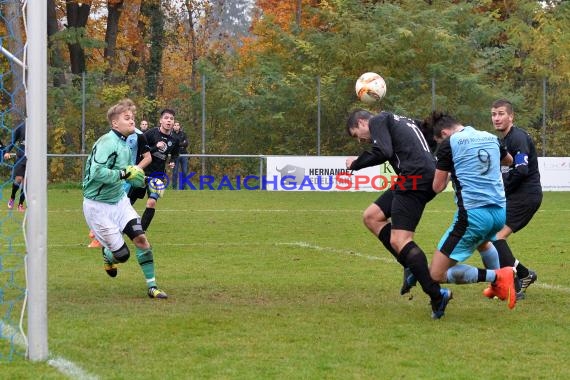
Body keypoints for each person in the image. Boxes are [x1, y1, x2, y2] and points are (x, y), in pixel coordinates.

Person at [345, 108, 451, 319]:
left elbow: (382, 151)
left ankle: (437, 294)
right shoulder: (403, 119)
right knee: (371, 217)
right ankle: (409, 265)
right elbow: (427, 137)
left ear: (361, 122)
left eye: (357, 135)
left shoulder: (377, 120)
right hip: (418, 176)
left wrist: (355, 164)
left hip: (414, 178)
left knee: (400, 240)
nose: (361, 141)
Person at [424, 111, 517, 310]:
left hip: (474, 215)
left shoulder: (450, 144)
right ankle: (497, 287)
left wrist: (452, 169)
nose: (440, 144)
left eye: (438, 140)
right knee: (483, 244)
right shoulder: (491, 137)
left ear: (445, 132)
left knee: (435, 274)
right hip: (499, 212)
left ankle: (498, 276)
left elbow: (437, 187)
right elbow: (508, 160)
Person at [82, 98, 167, 299]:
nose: (132, 121)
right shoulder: (106, 142)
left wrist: (147, 182)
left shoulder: (126, 145)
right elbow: (96, 173)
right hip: (98, 206)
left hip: (119, 201)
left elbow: (129, 175)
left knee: (141, 239)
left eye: (133, 118)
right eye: (127, 118)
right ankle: (108, 254)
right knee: (123, 255)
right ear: (115, 123)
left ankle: (152, 287)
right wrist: (124, 174)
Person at [490, 99, 541, 299]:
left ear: (511, 117)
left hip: (526, 196)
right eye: (494, 114)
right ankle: (523, 275)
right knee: (492, 235)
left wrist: (502, 188)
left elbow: (521, 170)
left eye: (501, 114)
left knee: (496, 237)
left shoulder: (517, 138)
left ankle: (516, 283)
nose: (497, 118)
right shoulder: (503, 141)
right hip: (517, 195)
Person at [89, 121, 153, 248]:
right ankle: (98, 235)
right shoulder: (111, 137)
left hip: (128, 180)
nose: (130, 120)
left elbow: (148, 157)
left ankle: (101, 239)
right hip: (113, 176)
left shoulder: (139, 135)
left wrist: (134, 171)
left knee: (118, 209)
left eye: (131, 116)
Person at [135, 108, 180, 231]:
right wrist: (155, 147)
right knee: (128, 202)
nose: (169, 121)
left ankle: (141, 232)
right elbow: (140, 150)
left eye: (171, 119)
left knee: (152, 202)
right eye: (166, 118)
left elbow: (175, 154)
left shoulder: (175, 139)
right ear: (161, 120)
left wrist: (172, 161)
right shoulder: (150, 133)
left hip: (158, 175)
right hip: (141, 172)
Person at [3, 123, 26, 212]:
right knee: (18, 179)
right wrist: (7, 151)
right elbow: (13, 140)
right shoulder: (21, 127)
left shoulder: (37, 129)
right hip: (20, 156)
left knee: (26, 182)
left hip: (31, 158)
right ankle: (12, 198)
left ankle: (20, 204)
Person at [171, 121, 189, 190]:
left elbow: (186, 144)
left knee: (184, 172)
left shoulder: (183, 134)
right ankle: (174, 188)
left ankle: (184, 188)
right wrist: (181, 144)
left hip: (184, 154)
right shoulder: (171, 134)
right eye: (175, 125)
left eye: (177, 125)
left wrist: (178, 144)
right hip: (175, 155)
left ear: (179, 126)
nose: (176, 126)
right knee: (175, 172)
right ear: (173, 126)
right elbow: (172, 144)